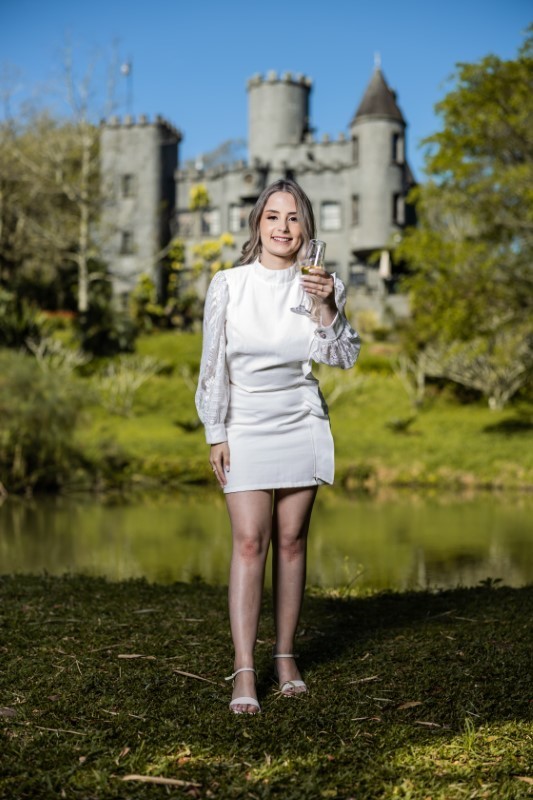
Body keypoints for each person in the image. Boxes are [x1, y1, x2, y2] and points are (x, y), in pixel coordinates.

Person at [195, 179, 360, 714]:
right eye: (273, 216)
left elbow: (342, 357)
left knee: (291, 541)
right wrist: (216, 431)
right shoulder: (228, 284)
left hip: (299, 419)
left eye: (293, 218)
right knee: (250, 541)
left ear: (306, 227)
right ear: (258, 224)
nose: (282, 227)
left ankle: (285, 656)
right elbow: (213, 364)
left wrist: (327, 306)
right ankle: (245, 667)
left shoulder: (322, 284)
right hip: (244, 420)